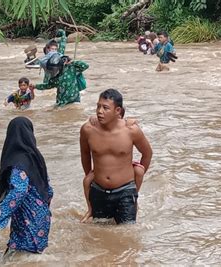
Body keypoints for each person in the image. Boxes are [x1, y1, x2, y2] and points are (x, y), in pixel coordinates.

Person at [0, 117, 53, 254]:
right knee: (32, 256)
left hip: (29, 221)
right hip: (41, 218)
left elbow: (19, 191)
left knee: (20, 256)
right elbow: (48, 189)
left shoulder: (18, 163)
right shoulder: (34, 157)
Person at [79, 89, 152, 224]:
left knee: (127, 235)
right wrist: (89, 175)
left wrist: (137, 178)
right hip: (98, 190)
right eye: (98, 106)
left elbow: (147, 154)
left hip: (125, 190)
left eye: (105, 108)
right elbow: (84, 154)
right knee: (99, 234)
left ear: (118, 111)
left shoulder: (131, 130)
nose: (99, 111)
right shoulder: (88, 130)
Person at [35, 29, 89, 108]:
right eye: (51, 49)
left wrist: (72, 62)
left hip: (73, 100)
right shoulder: (45, 62)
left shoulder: (70, 67)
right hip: (61, 102)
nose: (53, 51)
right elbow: (48, 85)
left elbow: (85, 65)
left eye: (55, 49)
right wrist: (35, 86)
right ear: (47, 49)